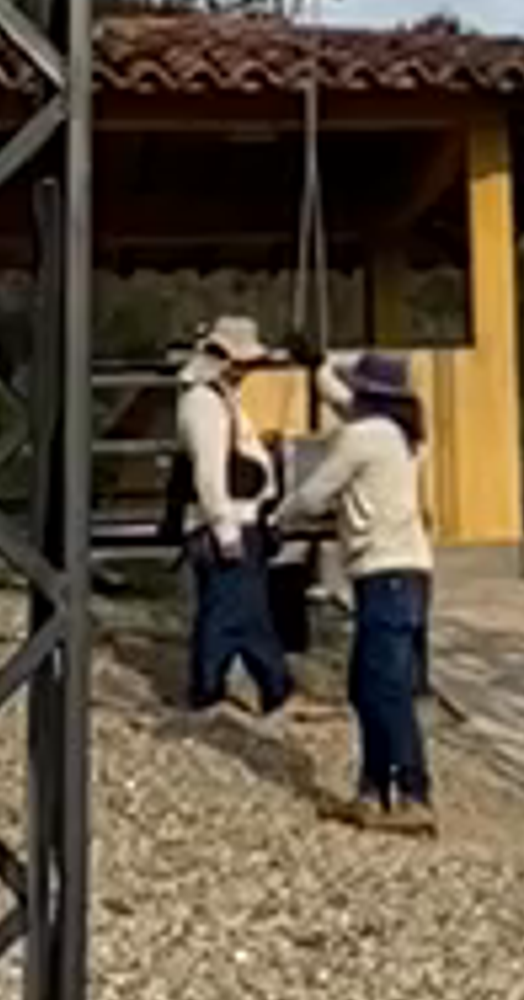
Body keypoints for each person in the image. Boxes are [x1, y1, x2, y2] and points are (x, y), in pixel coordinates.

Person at [277, 350, 436, 814]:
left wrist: (275, 517)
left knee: (381, 688)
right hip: (410, 573)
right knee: (378, 685)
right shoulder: (400, 436)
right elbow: (341, 398)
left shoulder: (362, 438)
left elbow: (314, 494)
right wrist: (319, 364)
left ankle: (411, 791)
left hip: (383, 574)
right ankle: (373, 788)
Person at [174, 311, 289, 715]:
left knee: (242, 611)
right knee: (232, 615)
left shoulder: (217, 399)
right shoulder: (204, 404)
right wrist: (225, 530)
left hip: (242, 518)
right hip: (228, 522)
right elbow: (209, 473)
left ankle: (263, 687)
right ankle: (215, 689)